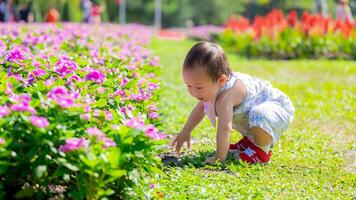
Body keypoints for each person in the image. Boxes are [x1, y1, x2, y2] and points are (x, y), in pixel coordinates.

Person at [171, 42, 295, 164]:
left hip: (277, 107)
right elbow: (200, 109)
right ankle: (249, 143)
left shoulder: (226, 97)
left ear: (221, 80)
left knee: (259, 115)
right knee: (253, 116)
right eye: (188, 85)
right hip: (256, 111)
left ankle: (261, 151)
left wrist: (219, 158)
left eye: (198, 87)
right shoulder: (214, 87)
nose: (193, 92)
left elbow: (225, 129)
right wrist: (186, 131)